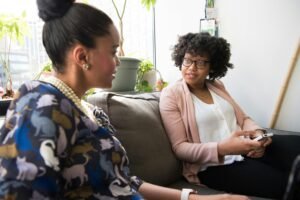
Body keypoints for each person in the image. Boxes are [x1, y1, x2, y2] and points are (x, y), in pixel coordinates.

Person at [0, 1, 249, 200]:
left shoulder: (91, 112)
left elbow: (123, 182)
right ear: (82, 55)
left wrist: (195, 198)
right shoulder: (40, 103)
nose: (119, 61)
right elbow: (19, 192)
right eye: (113, 51)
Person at [159, 32, 300, 199]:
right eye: (188, 60)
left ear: (212, 66)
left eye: (201, 62)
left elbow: (244, 119)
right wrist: (223, 148)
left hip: (246, 149)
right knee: (285, 183)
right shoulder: (171, 95)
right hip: (215, 166)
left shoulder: (216, 86)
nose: (191, 67)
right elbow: (180, 148)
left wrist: (259, 135)